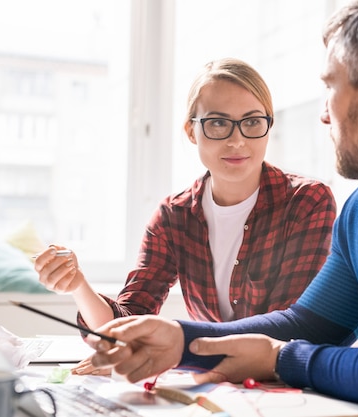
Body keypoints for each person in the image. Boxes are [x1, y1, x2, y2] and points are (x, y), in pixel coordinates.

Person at [82, 1, 358, 416]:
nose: (325, 113)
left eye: (330, 87)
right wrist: (180, 340)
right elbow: (311, 324)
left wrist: (282, 358)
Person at [33, 58, 336, 370]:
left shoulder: (307, 201)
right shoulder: (173, 217)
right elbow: (127, 325)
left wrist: (178, 344)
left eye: (253, 121)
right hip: (212, 386)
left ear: (269, 126)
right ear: (191, 131)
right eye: (218, 123)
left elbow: (289, 330)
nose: (237, 140)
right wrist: (78, 286)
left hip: (280, 382)